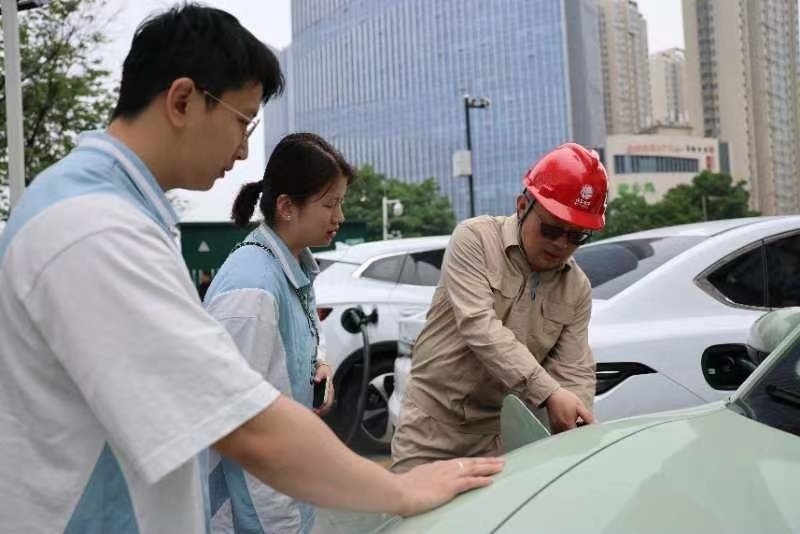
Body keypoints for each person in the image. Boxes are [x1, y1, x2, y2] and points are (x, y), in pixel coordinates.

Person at [0, 4, 502, 532]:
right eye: (242, 121)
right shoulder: (96, 229)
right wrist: (400, 490)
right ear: (182, 100)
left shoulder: (107, 210)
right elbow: (247, 426)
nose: (243, 151)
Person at [391, 142, 607, 472]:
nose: (561, 243)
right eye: (551, 229)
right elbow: (479, 326)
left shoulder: (576, 288)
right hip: (433, 427)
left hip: (501, 436)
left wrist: (576, 423)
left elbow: (574, 369)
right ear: (522, 206)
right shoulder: (475, 239)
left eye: (577, 236)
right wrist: (550, 394)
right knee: (414, 507)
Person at [204, 132, 353, 533]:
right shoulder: (251, 292)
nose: (339, 216)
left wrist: (319, 365)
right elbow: (247, 434)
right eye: (329, 204)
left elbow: (303, 337)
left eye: (341, 203)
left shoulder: (291, 263)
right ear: (287, 207)